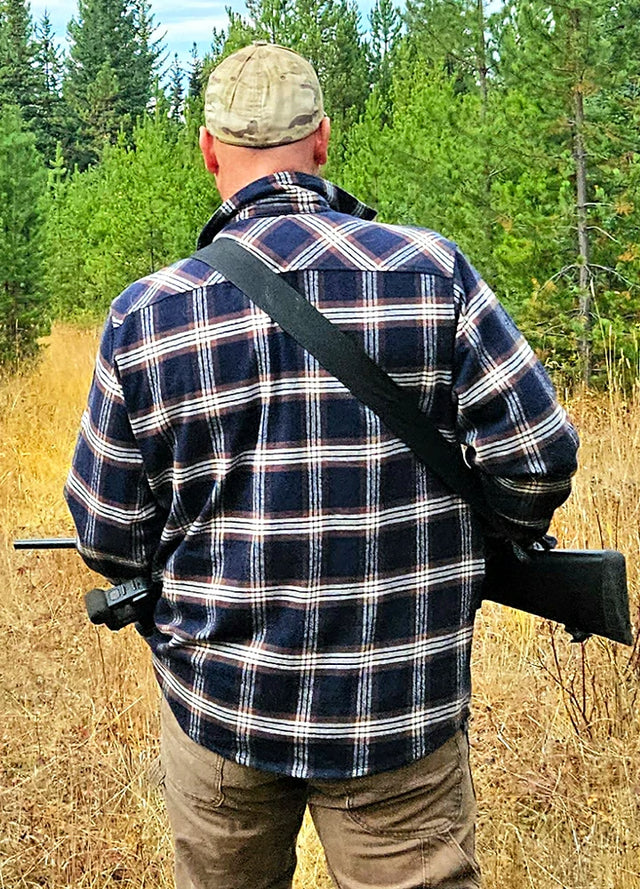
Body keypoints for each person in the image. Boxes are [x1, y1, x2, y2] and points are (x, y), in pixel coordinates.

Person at [65, 41, 579, 889]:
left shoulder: (145, 315)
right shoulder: (434, 273)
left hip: (221, 707)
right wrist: (487, 543)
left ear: (208, 152)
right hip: (401, 709)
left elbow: (106, 533)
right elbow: (537, 458)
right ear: (322, 140)